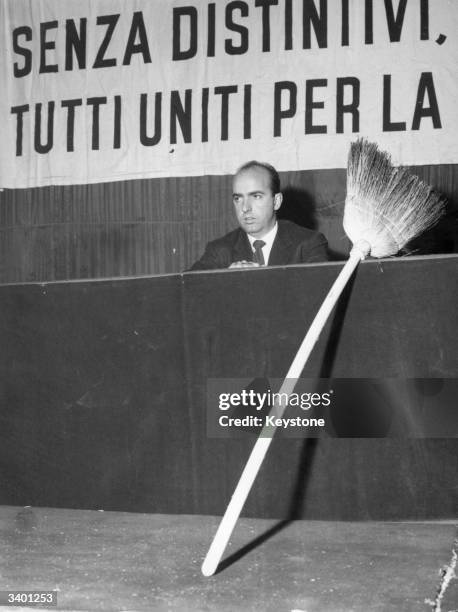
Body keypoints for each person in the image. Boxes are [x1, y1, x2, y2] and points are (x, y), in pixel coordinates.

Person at [189, 161, 328, 270]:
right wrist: (225, 281)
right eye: (238, 198)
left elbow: (321, 296)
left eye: (256, 196)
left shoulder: (308, 244)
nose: (245, 208)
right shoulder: (219, 250)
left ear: (276, 201)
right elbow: (183, 290)